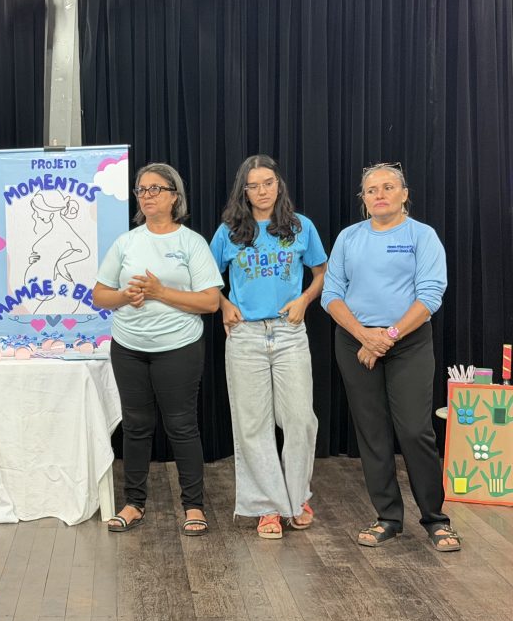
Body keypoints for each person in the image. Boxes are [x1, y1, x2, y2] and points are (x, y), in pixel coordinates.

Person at [321, 162, 460, 552]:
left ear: (404, 194)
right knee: (373, 433)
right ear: (363, 199)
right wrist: (364, 335)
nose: (379, 194)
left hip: (408, 342)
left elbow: (430, 294)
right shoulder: (349, 237)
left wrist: (388, 337)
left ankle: (436, 519)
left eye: (388, 187)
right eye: (371, 190)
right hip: (356, 342)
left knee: (415, 430)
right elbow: (331, 293)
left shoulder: (422, 236)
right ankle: (388, 518)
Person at [93, 163, 223, 535]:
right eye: (141, 190)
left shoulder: (191, 243)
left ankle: (194, 506)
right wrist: (126, 296)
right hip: (128, 347)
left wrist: (160, 292)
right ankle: (133, 504)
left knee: (181, 426)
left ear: (174, 196)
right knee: (135, 426)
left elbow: (211, 302)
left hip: (178, 347)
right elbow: (100, 295)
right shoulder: (127, 242)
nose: (147, 195)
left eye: (156, 189)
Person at [209, 155, 327, 539]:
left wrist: (305, 300)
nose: (262, 191)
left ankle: (296, 497)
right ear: (243, 191)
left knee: (300, 419)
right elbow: (206, 278)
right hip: (245, 335)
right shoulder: (229, 231)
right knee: (253, 424)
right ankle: (267, 507)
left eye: (268, 183)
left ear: (279, 185)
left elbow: (321, 273)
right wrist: (224, 304)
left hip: (288, 331)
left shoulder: (300, 226)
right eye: (254, 185)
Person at [24, 190, 91, 314]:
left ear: (49, 211)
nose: (36, 215)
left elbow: (84, 251)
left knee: (39, 317)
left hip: (59, 289)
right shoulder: (54, 229)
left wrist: (61, 263)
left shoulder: (64, 230)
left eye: (38, 211)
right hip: (46, 289)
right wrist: (35, 260)